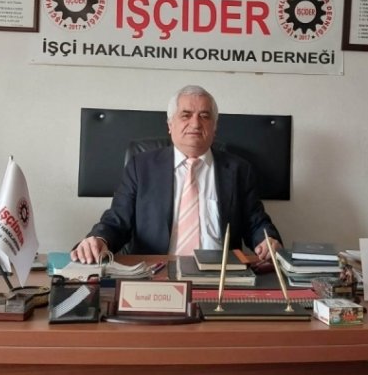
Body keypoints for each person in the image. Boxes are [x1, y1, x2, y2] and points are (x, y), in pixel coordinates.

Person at [71, 85, 283, 264]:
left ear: (215, 127)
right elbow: (117, 220)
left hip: (220, 276)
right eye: (186, 115)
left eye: (204, 116)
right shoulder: (141, 167)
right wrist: (99, 239)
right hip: (156, 273)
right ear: (170, 125)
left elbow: (256, 222)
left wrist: (267, 240)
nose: (195, 124)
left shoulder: (239, 170)